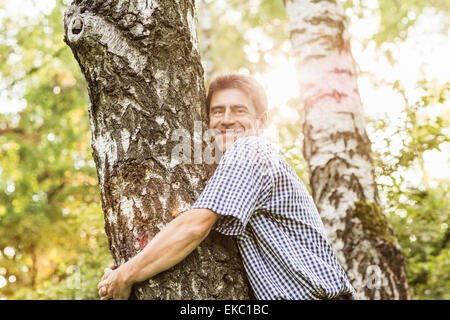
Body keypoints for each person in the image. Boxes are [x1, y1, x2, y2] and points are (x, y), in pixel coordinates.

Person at [97, 73, 355, 300]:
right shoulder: (233, 172)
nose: (226, 119)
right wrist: (124, 265)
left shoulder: (251, 149)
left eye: (239, 111)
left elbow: (194, 226)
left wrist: (125, 275)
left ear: (261, 120)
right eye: (217, 111)